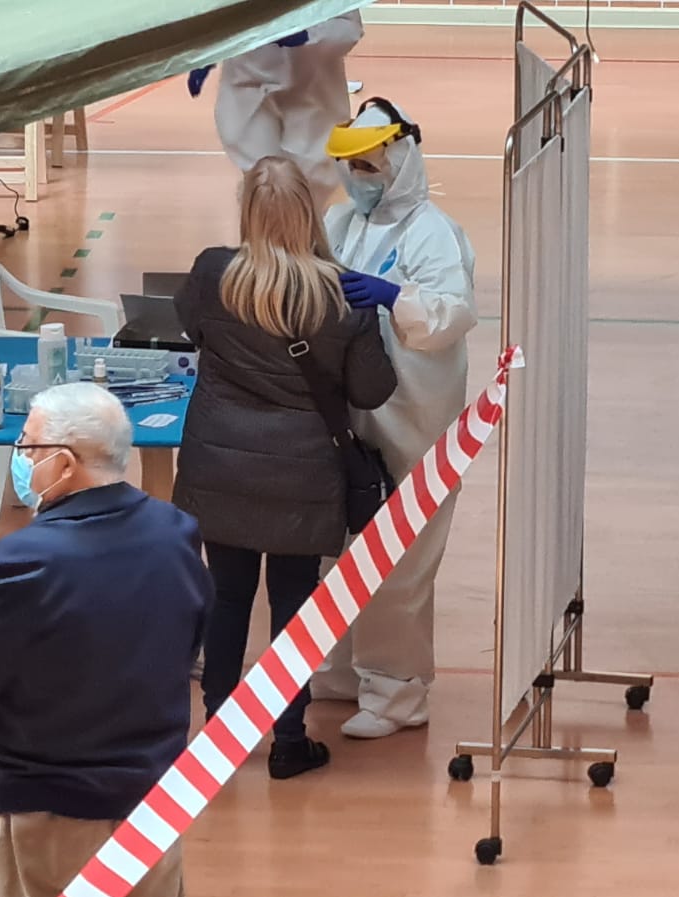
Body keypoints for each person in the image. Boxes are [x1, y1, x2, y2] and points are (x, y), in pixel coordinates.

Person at [0, 383, 210, 897]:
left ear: (65, 462)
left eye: (28, 446)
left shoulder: (27, 559)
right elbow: (189, 640)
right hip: (154, 799)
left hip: (57, 805)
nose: (20, 456)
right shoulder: (175, 532)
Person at [172, 155, 397, 778]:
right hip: (303, 475)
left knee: (225, 599)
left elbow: (190, 327)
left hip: (218, 468)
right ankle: (289, 740)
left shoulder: (213, 272)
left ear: (247, 211)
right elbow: (372, 391)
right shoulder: (342, 294)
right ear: (309, 212)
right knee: (295, 608)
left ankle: (217, 737)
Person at [313, 98, 479, 739]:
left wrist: (393, 298)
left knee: (400, 560)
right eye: (350, 166)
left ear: (401, 158)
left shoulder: (433, 233)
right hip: (351, 416)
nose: (360, 177)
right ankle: (339, 673)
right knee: (339, 549)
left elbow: (448, 317)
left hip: (416, 418)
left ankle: (398, 694)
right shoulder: (339, 222)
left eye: (370, 164)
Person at [187, 13, 363, 211]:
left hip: (311, 91)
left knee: (312, 184)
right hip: (248, 84)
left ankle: (307, 235)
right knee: (262, 179)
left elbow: (350, 29)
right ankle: (262, 235)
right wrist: (207, 50)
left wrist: (309, 34)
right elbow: (219, 13)